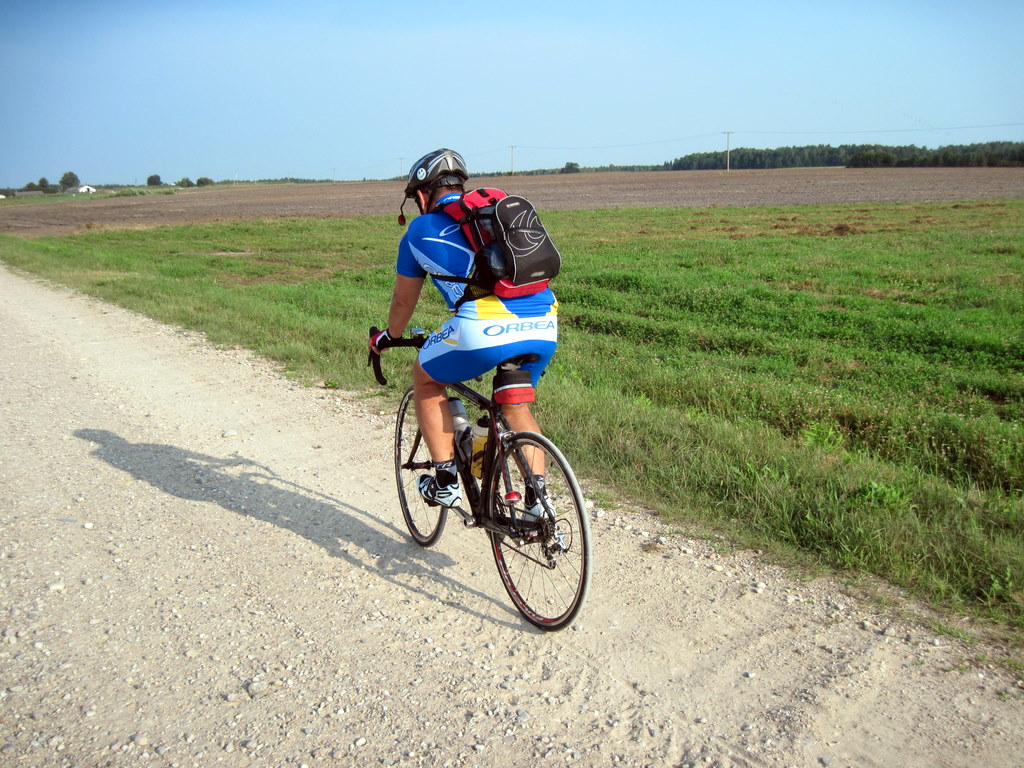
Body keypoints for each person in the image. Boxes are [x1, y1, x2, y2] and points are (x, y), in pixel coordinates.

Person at [370, 148, 557, 513]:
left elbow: (403, 302)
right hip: (545, 322)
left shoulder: (419, 229)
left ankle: (445, 482)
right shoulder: (493, 215)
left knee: (426, 378)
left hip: (482, 328)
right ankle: (540, 505)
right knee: (514, 405)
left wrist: (389, 336)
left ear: (422, 194)